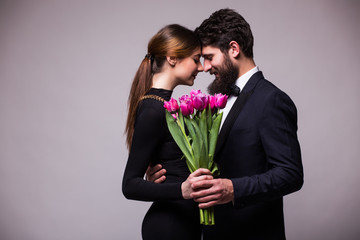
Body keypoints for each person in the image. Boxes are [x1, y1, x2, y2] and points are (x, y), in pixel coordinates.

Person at [147, 9, 304, 240]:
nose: (205, 67)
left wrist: (233, 189)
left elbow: (291, 174)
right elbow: (205, 160)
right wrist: (164, 177)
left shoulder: (272, 100)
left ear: (233, 48)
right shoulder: (217, 100)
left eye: (209, 57)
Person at [122, 24, 213, 240]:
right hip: (169, 227)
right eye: (195, 59)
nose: (201, 67)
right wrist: (182, 189)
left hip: (184, 225)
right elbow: (129, 185)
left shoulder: (166, 105)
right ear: (172, 58)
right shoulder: (153, 108)